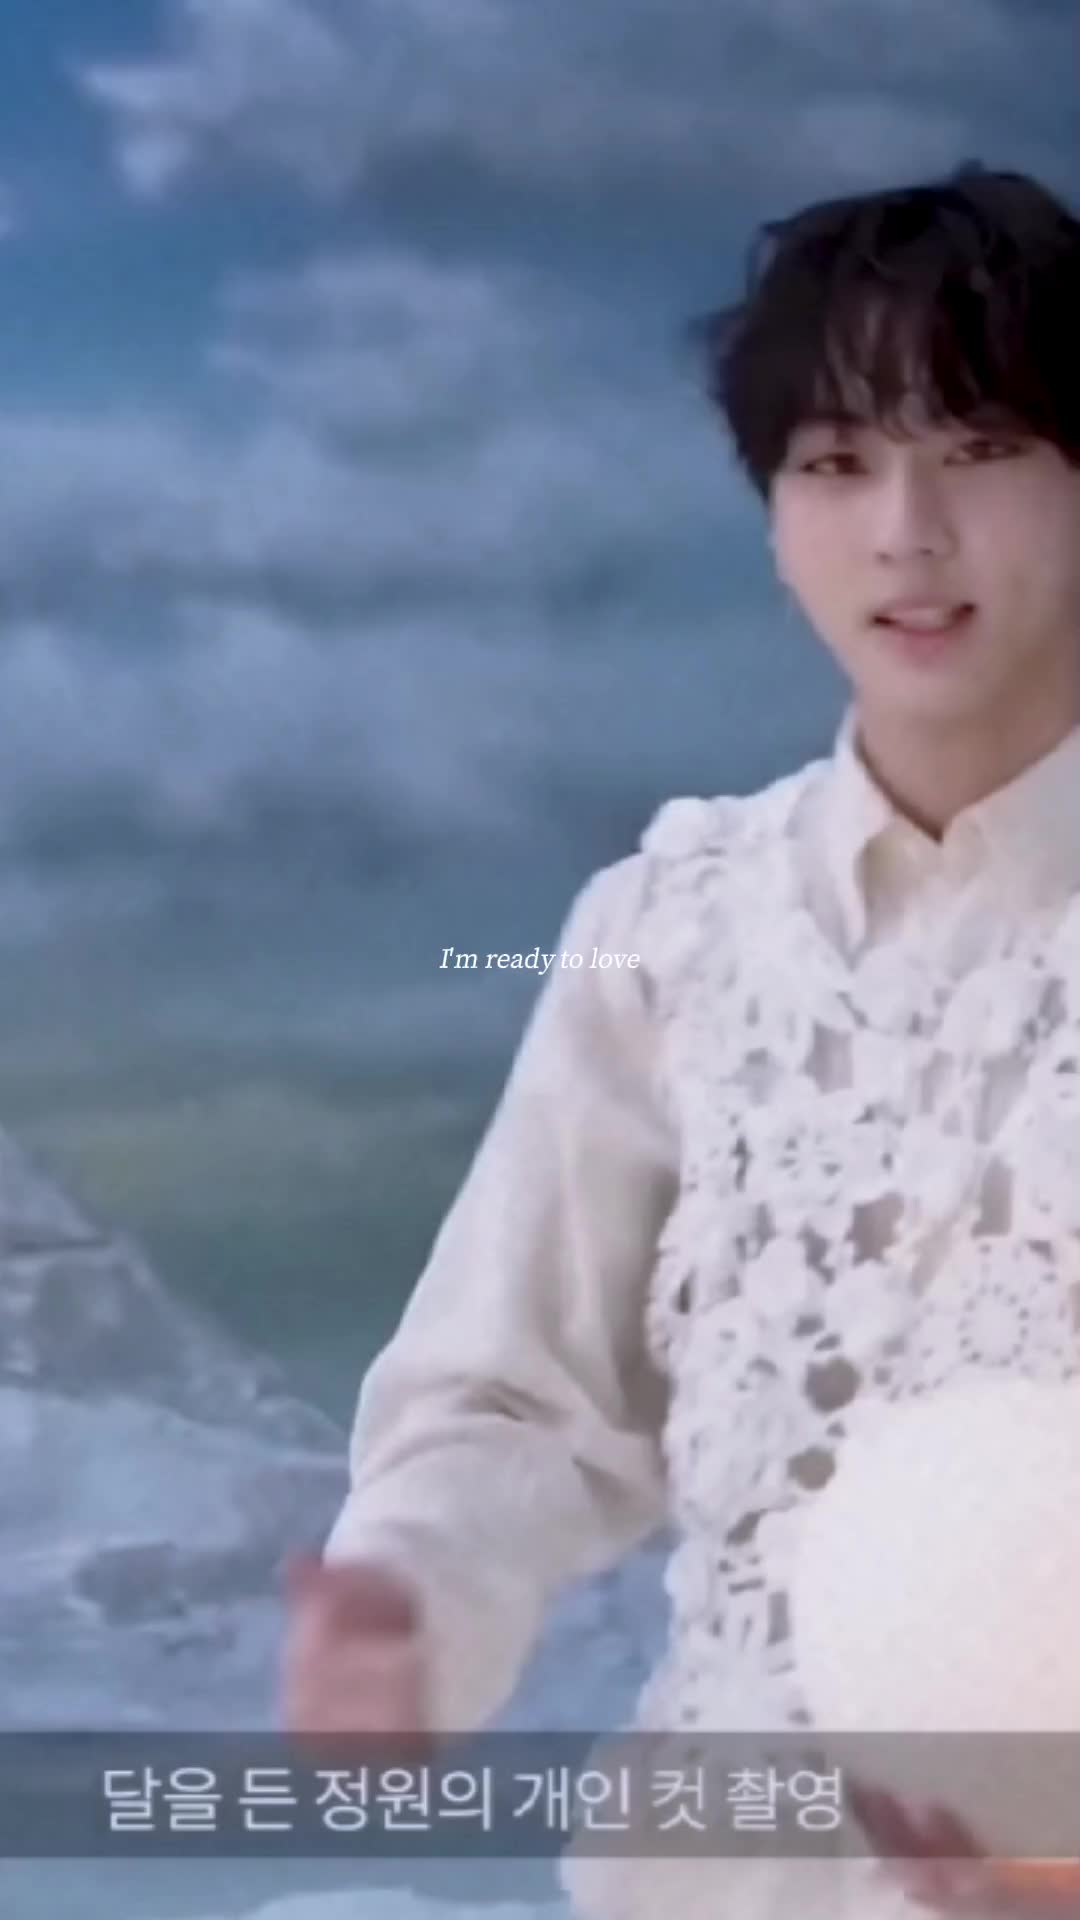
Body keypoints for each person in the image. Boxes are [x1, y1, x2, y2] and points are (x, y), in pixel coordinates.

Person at [282, 160, 1080, 1916]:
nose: (908, 532)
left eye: (981, 448)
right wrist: (405, 1605)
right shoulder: (673, 925)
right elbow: (519, 1395)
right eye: (838, 463)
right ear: (774, 509)